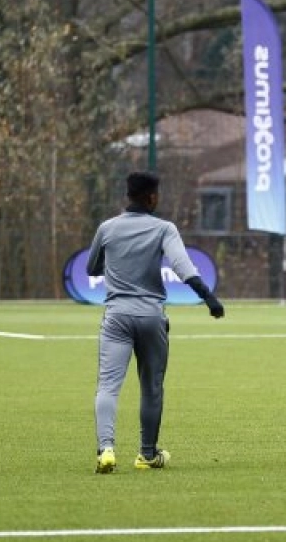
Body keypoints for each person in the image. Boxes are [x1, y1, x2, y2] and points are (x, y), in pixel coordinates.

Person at [88, 171, 225, 473]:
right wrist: (209, 298)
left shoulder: (107, 228)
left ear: (128, 196)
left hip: (116, 317)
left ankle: (106, 449)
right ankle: (147, 454)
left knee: (108, 386)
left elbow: (91, 268)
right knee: (151, 387)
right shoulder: (164, 228)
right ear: (151, 197)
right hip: (151, 317)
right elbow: (182, 266)